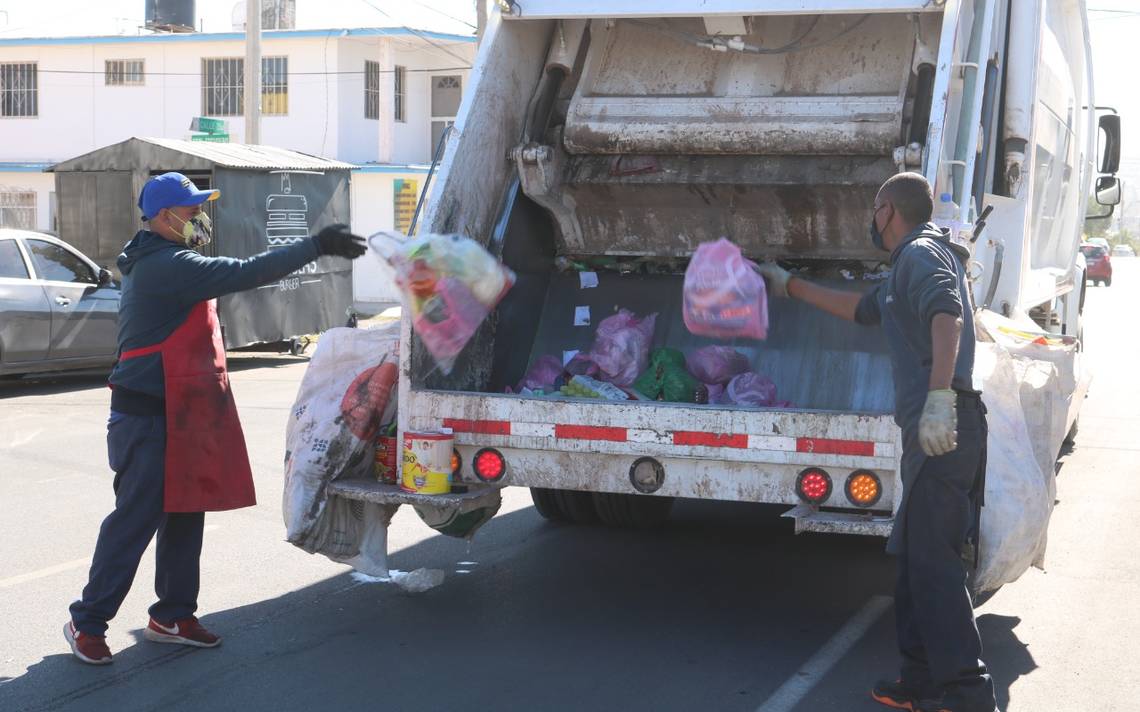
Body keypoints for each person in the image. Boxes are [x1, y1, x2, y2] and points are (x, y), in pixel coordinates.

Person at [64, 172, 367, 665]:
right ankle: (87, 620)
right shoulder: (167, 265)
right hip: (147, 418)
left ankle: (172, 615)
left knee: (187, 510)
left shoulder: (160, 256)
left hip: (180, 414)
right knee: (135, 521)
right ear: (164, 217)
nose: (199, 217)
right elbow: (244, 271)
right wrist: (316, 245)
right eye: (191, 210)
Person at [757, 172, 998, 712]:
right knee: (915, 561)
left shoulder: (920, 253)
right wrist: (788, 283)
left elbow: (948, 316)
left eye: (875, 207)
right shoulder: (902, 268)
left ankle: (968, 695)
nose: (873, 217)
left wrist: (939, 400)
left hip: (945, 428)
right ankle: (921, 681)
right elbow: (862, 310)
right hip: (929, 435)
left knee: (934, 566)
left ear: (889, 209)